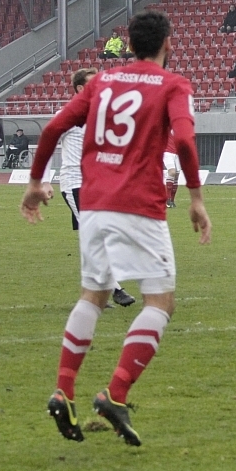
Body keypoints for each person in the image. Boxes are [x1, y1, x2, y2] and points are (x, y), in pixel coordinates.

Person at [21, 10, 212, 446]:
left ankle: (63, 391)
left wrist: (34, 183)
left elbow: (53, 127)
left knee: (93, 295)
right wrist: (197, 198)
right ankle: (116, 393)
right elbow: (184, 140)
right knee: (160, 301)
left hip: (94, 204)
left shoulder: (101, 82)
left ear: (130, 45)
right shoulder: (173, 84)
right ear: (168, 43)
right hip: (140, 206)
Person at [39, 68, 136, 309]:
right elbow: (47, 144)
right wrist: (45, 180)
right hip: (75, 183)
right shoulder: (68, 115)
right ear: (81, 88)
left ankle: (94, 294)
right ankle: (116, 289)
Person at [163, 131, 180, 208]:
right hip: (167, 152)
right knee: (172, 172)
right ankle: (168, 199)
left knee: (176, 175)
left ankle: (172, 200)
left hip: (177, 153)